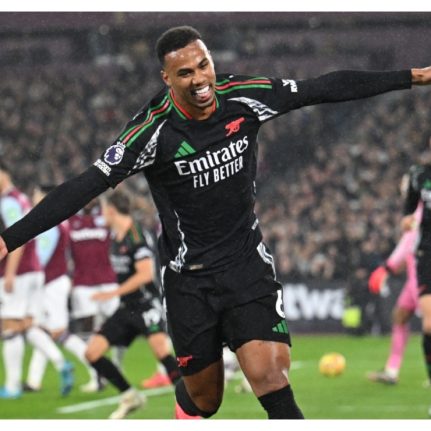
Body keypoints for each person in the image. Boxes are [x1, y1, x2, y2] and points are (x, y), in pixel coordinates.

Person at [1, 26, 431, 419]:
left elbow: (323, 88)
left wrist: (410, 77)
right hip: (190, 280)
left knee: (270, 377)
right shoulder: (152, 131)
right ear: (167, 79)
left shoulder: (244, 96)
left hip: (246, 265)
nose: (199, 79)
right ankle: (186, 409)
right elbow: (84, 186)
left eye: (203, 65)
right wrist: (10, 239)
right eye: (185, 72)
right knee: (205, 399)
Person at [84, 188, 181, 419]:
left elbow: (145, 274)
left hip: (146, 305)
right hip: (127, 308)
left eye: (103, 209)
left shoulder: (136, 235)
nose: (102, 214)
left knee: (162, 352)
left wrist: (112, 292)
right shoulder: (115, 237)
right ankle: (130, 396)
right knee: (92, 353)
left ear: (111, 210)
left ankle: (189, 407)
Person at [0, 163, 74, 398]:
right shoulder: (21, 199)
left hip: (19, 272)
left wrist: (10, 272)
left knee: (10, 326)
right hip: (33, 271)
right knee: (28, 324)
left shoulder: (9, 202)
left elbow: (16, 239)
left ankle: (12, 386)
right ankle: (60, 362)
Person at [24, 185, 99, 393]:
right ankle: (34, 381)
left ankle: (96, 370)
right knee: (39, 329)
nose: (33, 199)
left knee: (55, 332)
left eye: (36, 195)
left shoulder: (50, 223)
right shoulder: (56, 221)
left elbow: (41, 258)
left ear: (44, 197)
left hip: (52, 284)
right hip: (51, 283)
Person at [367, 201, 422, 384]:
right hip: (414, 278)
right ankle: (392, 370)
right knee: (399, 317)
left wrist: (387, 267)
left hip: (423, 278)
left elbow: (409, 241)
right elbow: (410, 249)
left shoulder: (421, 209)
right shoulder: (417, 209)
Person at [68, 198, 120, 392]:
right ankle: (96, 376)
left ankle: (117, 367)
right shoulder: (71, 220)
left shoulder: (106, 218)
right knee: (87, 330)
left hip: (108, 281)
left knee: (120, 326)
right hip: (83, 283)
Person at [402, 160, 431, 415]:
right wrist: (407, 219)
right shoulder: (420, 175)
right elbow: (409, 210)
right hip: (427, 255)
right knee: (429, 325)